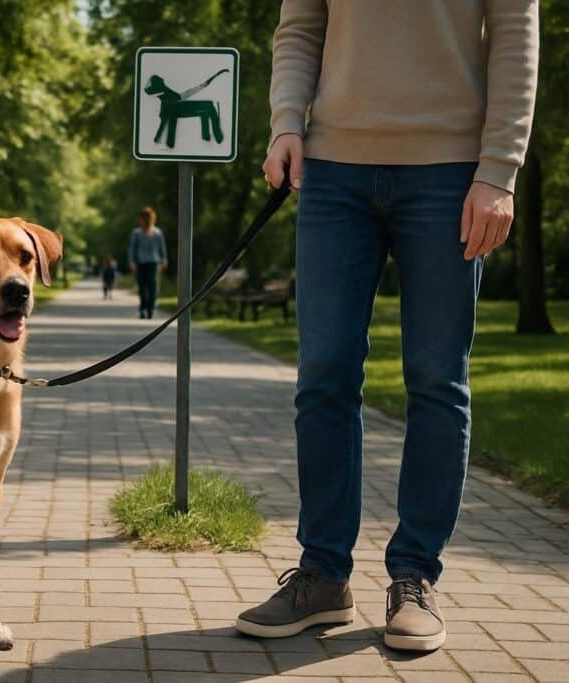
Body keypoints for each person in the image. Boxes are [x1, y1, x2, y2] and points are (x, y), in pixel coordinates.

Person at [235, 1, 538, 653]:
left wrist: (499, 169)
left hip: (453, 172)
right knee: (324, 375)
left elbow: (515, 31)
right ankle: (322, 576)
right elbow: (300, 29)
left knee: (435, 380)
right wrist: (285, 121)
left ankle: (415, 576)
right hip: (332, 173)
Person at [128, 207, 167, 319]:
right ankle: (143, 308)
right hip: (140, 262)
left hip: (154, 263)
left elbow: (162, 247)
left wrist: (164, 259)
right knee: (142, 287)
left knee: (153, 287)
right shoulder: (136, 233)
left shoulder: (157, 232)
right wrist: (132, 262)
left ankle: (151, 309)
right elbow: (132, 248)